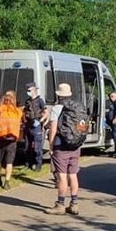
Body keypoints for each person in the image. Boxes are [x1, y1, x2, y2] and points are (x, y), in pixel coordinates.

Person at [45, 83, 83, 215]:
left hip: (61, 145)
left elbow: (53, 129)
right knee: (73, 175)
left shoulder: (57, 108)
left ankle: (60, 205)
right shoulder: (78, 107)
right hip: (75, 145)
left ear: (58, 94)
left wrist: (50, 145)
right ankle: (74, 204)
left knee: (62, 177)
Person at [0, 91, 23, 189]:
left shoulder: (0, 108)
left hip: (0, 137)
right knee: (9, 161)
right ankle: (7, 182)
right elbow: (20, 123)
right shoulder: (18, 111)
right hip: (12, 139)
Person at [23, 82, 48, 171]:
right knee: (27, 146)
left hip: (36, 125)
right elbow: (25, 112)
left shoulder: (40, 101)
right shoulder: (27, 101)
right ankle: (27, 164)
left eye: (29, 90)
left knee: (37, 147)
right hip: (28, 125)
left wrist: (40, 121)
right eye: (27, 90)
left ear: (34, 90)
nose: (28, 92)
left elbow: (46, 113)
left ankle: (38, 165)